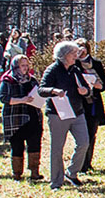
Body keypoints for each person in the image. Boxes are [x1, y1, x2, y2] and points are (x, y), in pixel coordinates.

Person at [39, 41, 92, 189]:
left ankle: (72, 172)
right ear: (64, 55)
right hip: (58, 113)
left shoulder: (75, 69)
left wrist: (85, 91)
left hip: (77, 112)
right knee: (57, 148)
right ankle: (56, 181)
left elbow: (87, 88)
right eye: (73, 54)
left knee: (84, 143)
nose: (76, 56)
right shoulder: (52, 70)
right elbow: (41, 89)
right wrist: (54, 91)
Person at [0, 55, 44, 182]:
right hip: (16, 118)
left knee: (34, 144)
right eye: (22, 65)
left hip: (33, 116)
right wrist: (21, 100)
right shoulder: (8, 80)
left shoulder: (32, 80)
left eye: (26, 65)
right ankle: (17, 173)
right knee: (17, 146)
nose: (25, 68)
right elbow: (3, 97)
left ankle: (34, 171)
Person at [75, 41, 105, 173]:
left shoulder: (96, 64)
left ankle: (87, 163)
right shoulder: (74, 64)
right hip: (79, 102)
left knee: (91, 133)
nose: (81, 50)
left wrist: (96, 85)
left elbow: (104, 84)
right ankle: (80, 164)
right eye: (78, 48)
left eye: (83, 47)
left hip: (93, 103)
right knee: (81, 135)